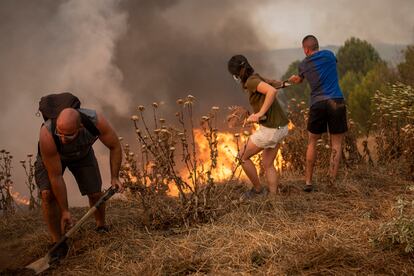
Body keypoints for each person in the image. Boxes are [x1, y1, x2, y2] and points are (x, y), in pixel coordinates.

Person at [35, 107, 123, 258]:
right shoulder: (47, 133)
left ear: (80, 127)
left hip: (82, 153)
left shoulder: (95, 121)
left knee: (95, 192)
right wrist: (65, 211)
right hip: (54, 158)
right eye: (60, 134)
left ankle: (101, 227)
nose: (63, 139)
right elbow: (55, 176)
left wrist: (115, 177)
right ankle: (58, 243)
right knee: (47, 194)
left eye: (68, 136)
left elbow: (115, 146)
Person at [288, 35, 348, 192]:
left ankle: (308, 182)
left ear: (306, 49)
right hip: (336, 101)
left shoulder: (303, 64)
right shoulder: (329, 55)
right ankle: (331, 183)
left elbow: (300, 79)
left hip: (318, 103)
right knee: (336, 143)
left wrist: (296, 78)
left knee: (312, 142)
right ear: (317, 46)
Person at [228, 55, 289, 198]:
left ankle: (257, 190)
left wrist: (259, 113)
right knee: (267, 163)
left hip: (271, 130)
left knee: (242, 156)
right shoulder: (256, 77)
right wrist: (285, 83)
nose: (235, 77)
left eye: (235, 74)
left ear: (239, 72)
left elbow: (271, 91)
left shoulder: (251, 81)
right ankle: (273, 199)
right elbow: (272, 84)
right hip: (281, 127)